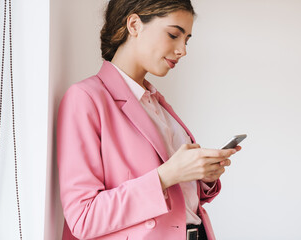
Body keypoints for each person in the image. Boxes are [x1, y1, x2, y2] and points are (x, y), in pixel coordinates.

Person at [57, 0, 241, 239]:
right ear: (134, 24)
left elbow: (180, 198)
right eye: (174, 34)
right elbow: (83, 218)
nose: (182, 50)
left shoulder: (156, 102)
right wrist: (166, 175)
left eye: (186, 40)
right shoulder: (86, 98)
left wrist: (201, 176)